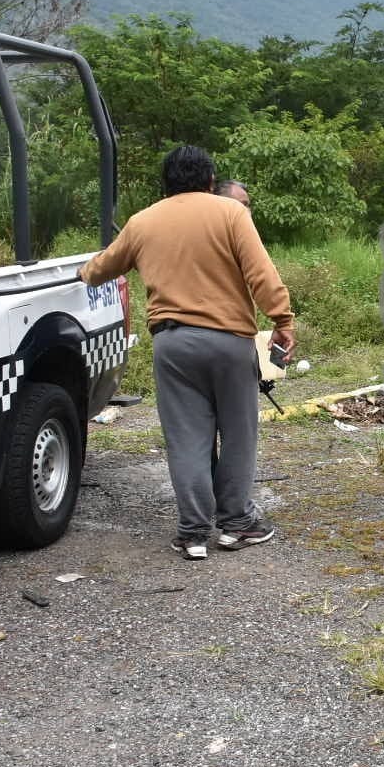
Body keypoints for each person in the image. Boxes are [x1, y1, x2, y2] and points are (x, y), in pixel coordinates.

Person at [79, 146, 296, 561]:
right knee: (238, 435)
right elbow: (261, 273)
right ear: (210, 182)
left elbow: (104, 267)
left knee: (187, 440)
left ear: (166, 183)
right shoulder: (230, 213)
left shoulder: (142, 221)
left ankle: (193, 533)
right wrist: (282, 320)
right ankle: (237, 525)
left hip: (173, 344)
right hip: (230, 342)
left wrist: (81, 271)